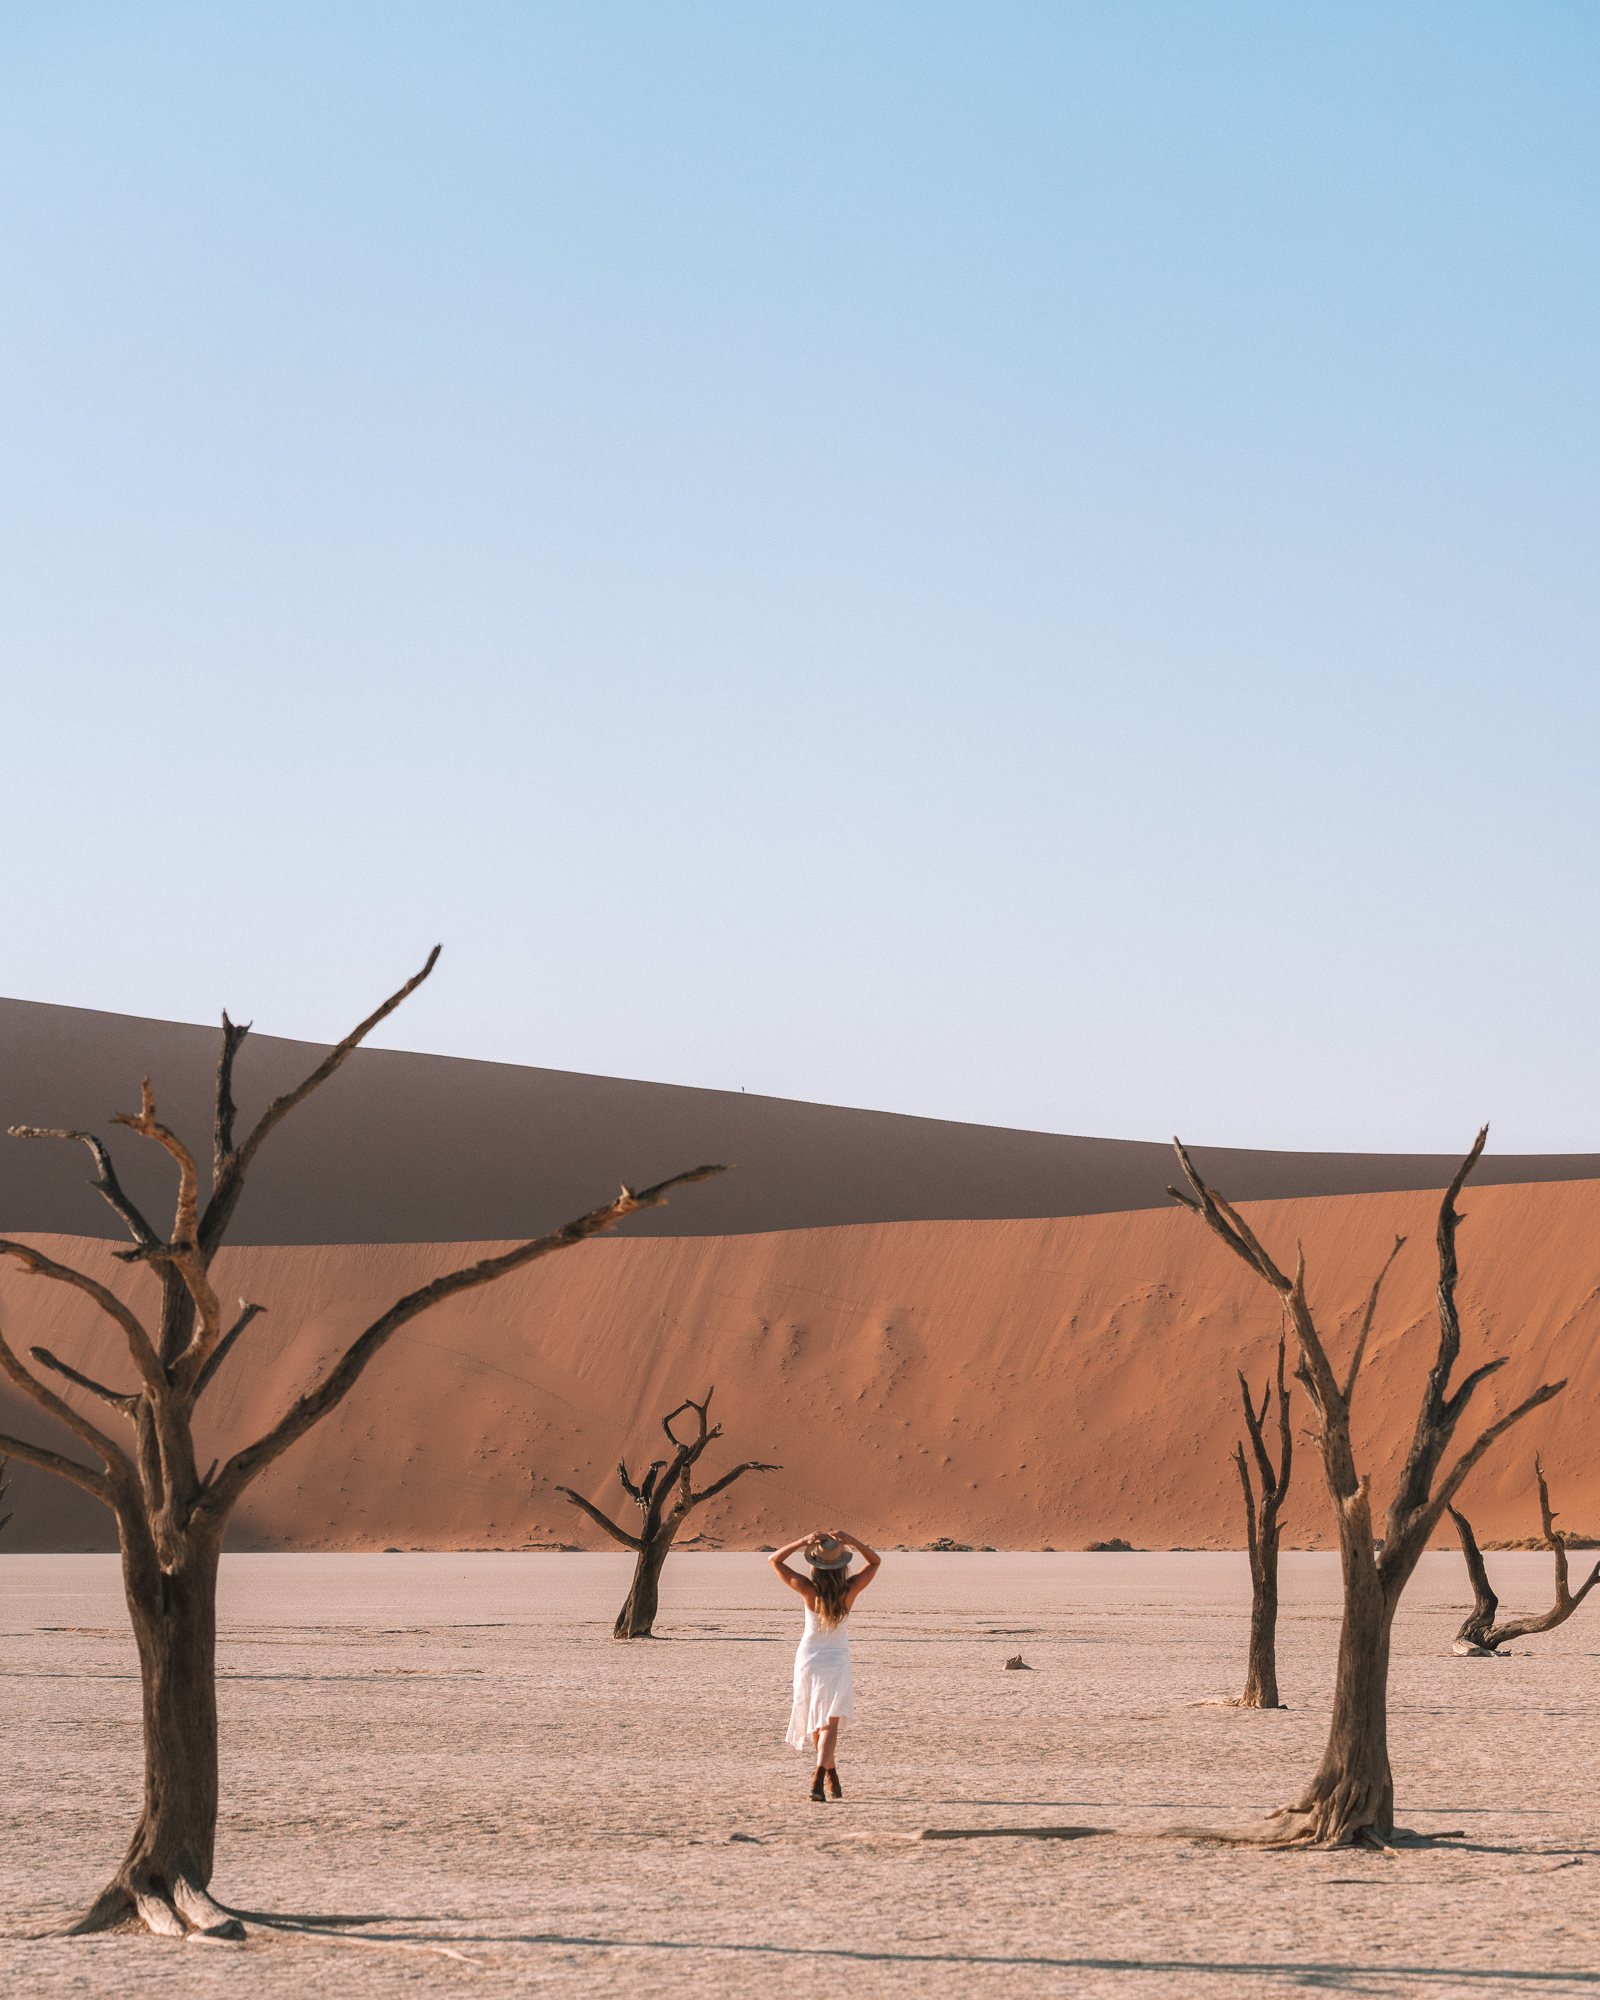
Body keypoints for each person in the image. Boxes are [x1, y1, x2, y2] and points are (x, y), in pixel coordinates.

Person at [768, 1527, 881, 1801]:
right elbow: (875, 1561)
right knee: (828, 1722)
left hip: (809, 1658)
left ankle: (828, 1778)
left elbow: (774, 1560)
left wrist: (803, 1541)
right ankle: (822, 1775)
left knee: (818, 1722)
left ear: (814, 1565)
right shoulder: (850, 1589)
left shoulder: (808, 1589)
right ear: (842, 1565)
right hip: (837, 1659)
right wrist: (853, 1539)